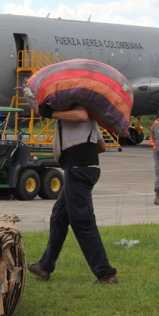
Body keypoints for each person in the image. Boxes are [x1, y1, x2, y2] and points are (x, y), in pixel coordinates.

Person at [27, 103, 118, 285]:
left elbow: (82, 115)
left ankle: (105, 273)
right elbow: (101, 146)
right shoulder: (82, 118)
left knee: (82, 220)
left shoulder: (78, 109)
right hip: (78, 169)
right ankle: (44, 267)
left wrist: (52, 113)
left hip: (78, 169)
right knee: (59, 217)